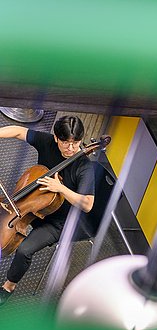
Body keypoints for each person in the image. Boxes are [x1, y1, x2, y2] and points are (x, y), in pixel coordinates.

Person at [0, 115, 95, 306]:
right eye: (66, 143)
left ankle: (9, 286)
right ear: (56, 138)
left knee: (24, 250)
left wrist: (60, 188)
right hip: (30, 203)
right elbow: (18, 131)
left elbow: (87, 204)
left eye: (76, 143)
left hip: (57, 222)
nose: (71, 148)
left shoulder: (84, 167)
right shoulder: (47, 142)